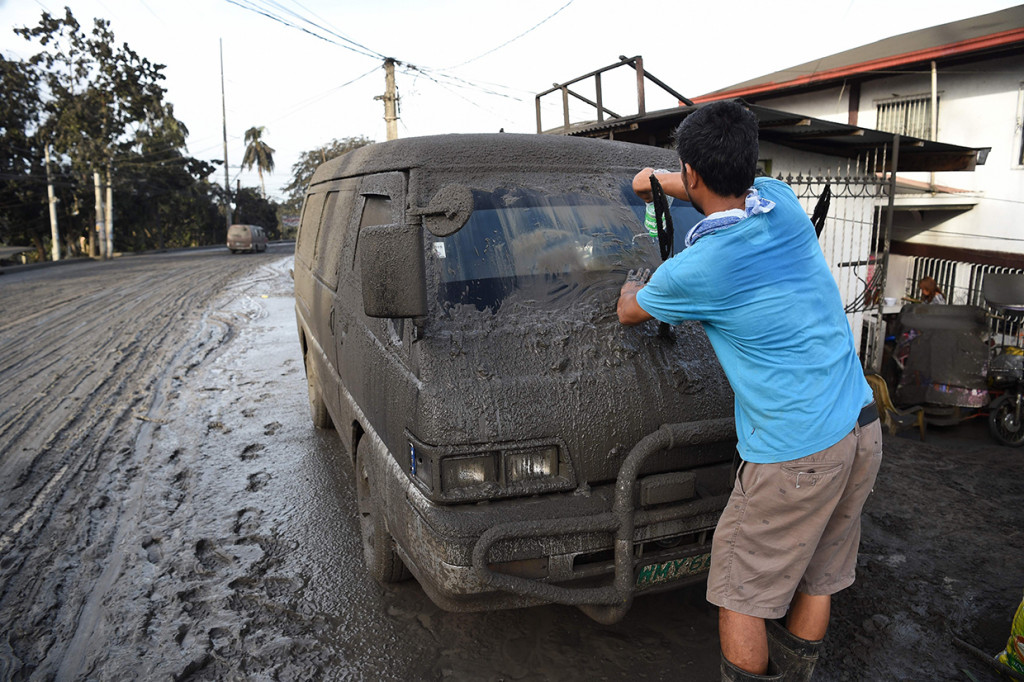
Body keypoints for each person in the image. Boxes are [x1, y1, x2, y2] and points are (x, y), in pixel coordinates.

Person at [616, 100, 882, 682]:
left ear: (691, 170)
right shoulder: (782, 205)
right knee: (820, 573)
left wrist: (634, 276)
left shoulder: (699, 267)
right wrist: (657, 182)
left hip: (796, 455)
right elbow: (710, 188)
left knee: (740, 592)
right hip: (861, 426)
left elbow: (631, 312)